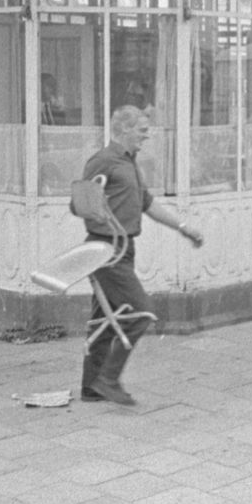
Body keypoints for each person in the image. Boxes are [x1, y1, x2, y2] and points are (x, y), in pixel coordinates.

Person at [74, 107, 204, 406]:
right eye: (142, 130)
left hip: (122, 247)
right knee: (141, 313)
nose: (147, 135)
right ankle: (108, 379)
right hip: (106, 249)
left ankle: (91, 387)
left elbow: (148, 204)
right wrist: (96, 210)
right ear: (123, 129)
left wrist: (183, 227)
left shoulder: (129, 162)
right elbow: (78, 204)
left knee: (105, 317)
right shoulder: (103, 160)